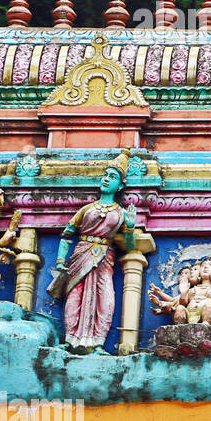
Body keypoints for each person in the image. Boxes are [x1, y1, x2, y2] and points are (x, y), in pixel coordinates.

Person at [50, 151, 138, 353]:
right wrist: (60, 261)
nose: (107, 179)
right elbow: (66, 235)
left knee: (106, 298)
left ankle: (97, 343)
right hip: (81, 254)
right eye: (105, 175)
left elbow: (130, 246)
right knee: (75, 296)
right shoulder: (87, 209)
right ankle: (71, 339)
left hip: (104, 258)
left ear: (121, 186)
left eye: (113, 177)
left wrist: (131, 227)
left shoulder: (121, 213)